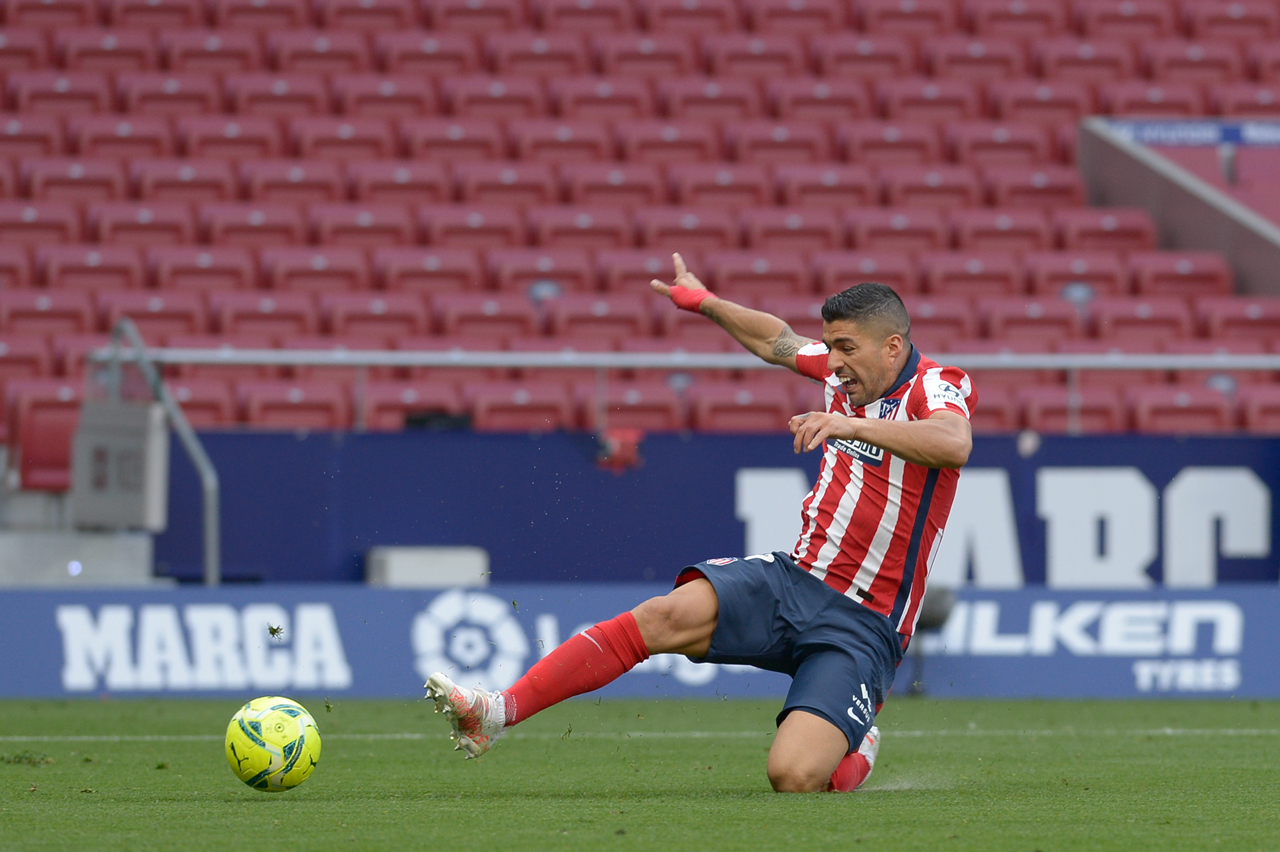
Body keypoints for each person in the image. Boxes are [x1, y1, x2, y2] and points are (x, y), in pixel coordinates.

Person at [425, 254, 977, 793]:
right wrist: (706, 302)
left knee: (793, 777)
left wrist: (847, 427)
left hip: (865, 622)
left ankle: (858, 745)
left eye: (846, 348)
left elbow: (953, 444)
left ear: (893, 347)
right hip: (793, 580)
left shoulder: (934, 386)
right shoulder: (845, 377)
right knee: (661, 616)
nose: (832, 361)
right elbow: (775, 340)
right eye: (831, 346)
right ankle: (496, 712)